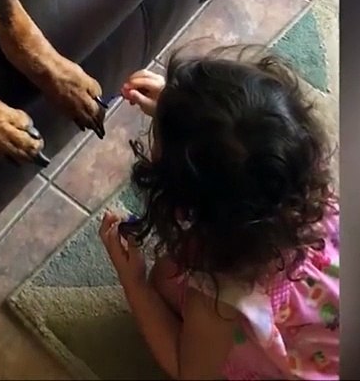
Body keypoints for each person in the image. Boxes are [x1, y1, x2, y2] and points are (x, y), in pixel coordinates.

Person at [99, 47, 340, 380]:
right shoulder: (297, 169)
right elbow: (232, 147)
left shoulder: (218, 288)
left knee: (164, 282)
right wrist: (178, 111)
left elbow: (191, 373)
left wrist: (135, 283)